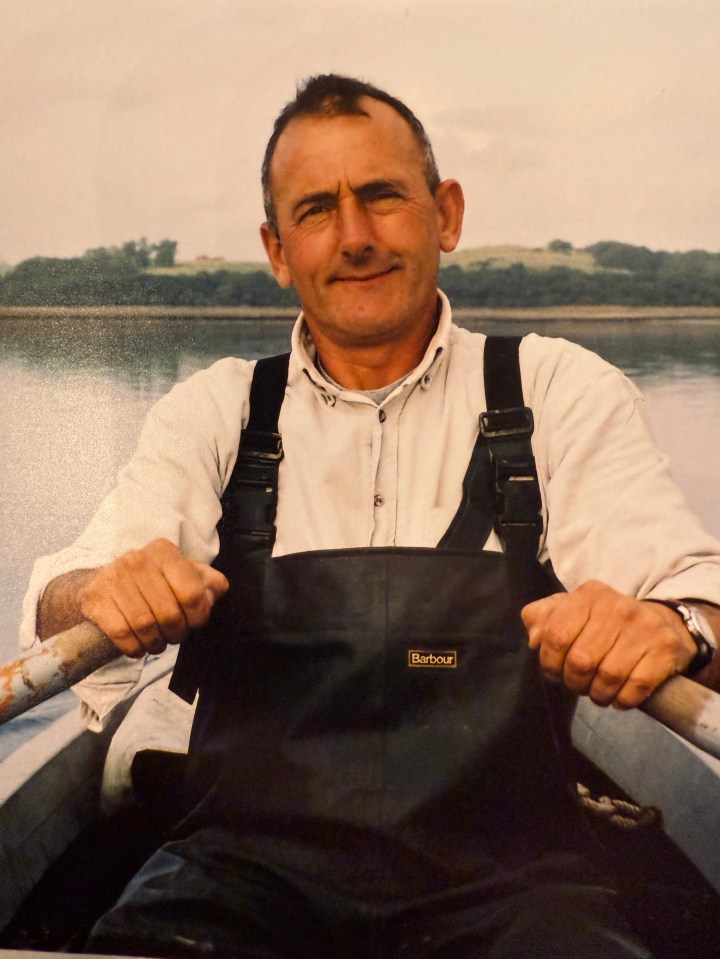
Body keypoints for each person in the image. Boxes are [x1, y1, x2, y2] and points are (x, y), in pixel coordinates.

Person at [23, 74, 720, 958]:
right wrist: (106, 588)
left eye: (382, 196)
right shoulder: (216, 411)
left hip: (517, 886)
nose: (354, 237)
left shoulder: (556, 390)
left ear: (447, 214)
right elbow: (59, 604)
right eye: (316, 210)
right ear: (278, 251)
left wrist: (676, 626)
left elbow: (698, 596)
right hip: (234, 880)